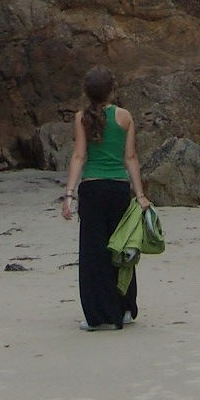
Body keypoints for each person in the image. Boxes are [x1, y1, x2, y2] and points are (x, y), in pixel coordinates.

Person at [61, 66, 150, 329]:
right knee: (121, 249)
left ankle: (98, 315)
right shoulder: (124, 117)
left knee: (94, 253)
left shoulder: (81, 118)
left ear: (87, 92)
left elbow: (78, 156)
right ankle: (124, 308)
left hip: (92, 189)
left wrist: (69, 194)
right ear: (113, 90)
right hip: (118, 190)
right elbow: (130, 157)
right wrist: (141, 194)